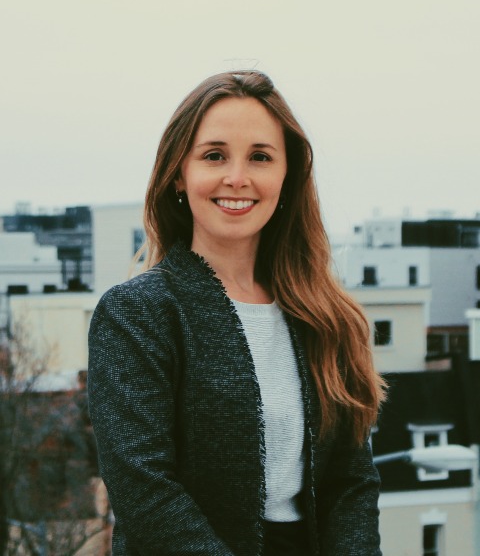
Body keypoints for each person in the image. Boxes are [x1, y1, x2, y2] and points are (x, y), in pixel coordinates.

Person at [88, 70, 386, 556]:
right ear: (179, 174)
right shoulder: (137, 314)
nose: (237, 178)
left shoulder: (326, 316)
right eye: (214, 155)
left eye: (260, 157)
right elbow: (144, 491)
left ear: (286, 177)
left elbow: (352, 482)